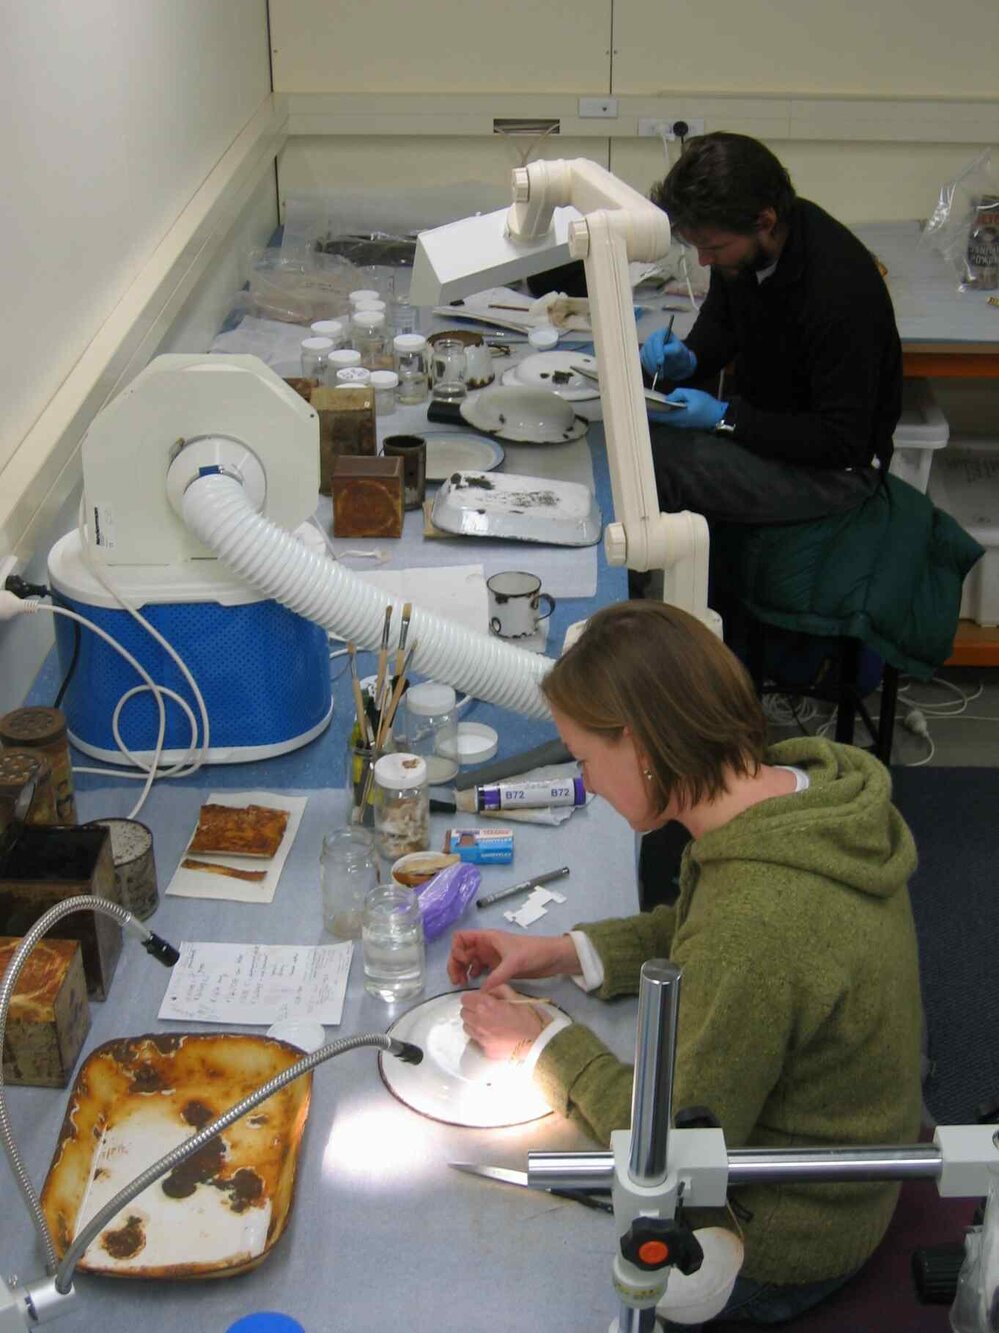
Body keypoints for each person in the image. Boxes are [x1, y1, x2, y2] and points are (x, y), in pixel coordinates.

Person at [447, 601, 922, 1328]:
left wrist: (539, 1044)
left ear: (639, 744)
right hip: (854, 1153)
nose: (590, 786)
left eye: (584, 761)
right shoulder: (796, 795)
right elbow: (698, 923)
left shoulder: (757, 919)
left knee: (530, 1277)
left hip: (793, 1232)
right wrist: (563, 950)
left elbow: (667, 1144)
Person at [639, 132, 902, 525]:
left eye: (713, 247)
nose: (704, 260)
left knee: (655, 466)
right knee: (632, 417)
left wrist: (725, 418)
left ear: (765, 221)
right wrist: (691, 357)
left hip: (836, 473)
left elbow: (842, 441)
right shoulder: (751, 247)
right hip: (767, 429)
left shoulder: (839, 291)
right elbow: (724, 320)